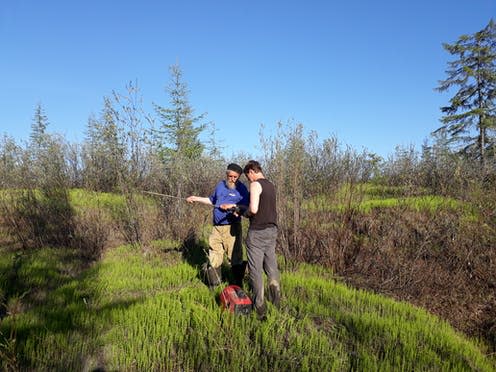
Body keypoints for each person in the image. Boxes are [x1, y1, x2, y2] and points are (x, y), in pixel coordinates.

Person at [186, 163, 249, 288]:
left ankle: (237, 285)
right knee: (214, 254)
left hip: (232, 227)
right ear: (226, 174)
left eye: (235, 177)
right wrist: (196, 198)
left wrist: (233, 208)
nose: (232, 179)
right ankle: (214, 284)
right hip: (216, 227)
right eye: (230, 176)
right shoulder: (220, 185)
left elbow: (246, 207)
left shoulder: (241, 189)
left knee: (235, 256)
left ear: (239, 177)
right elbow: (211, 200)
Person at [241, 160, 281, 320]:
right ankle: (276, 302)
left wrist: (243, 213)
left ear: (252, 171)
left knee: (255, 270)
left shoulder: (255, 184)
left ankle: (260, 308)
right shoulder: (271, 185)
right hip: (272, 231)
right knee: (271, 267)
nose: (248, 180)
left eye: (247, 176)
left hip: (257, 232)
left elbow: (254, 209)